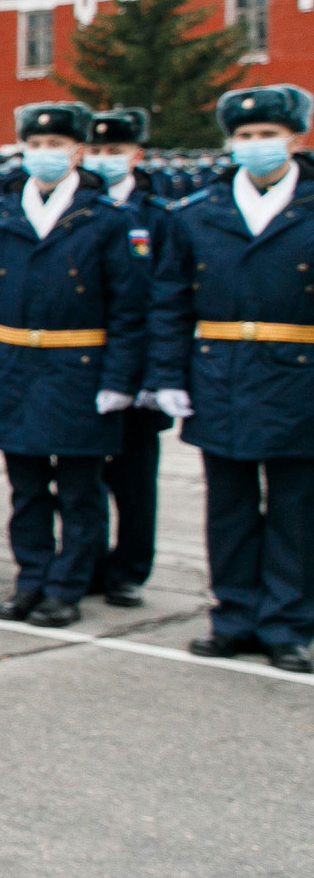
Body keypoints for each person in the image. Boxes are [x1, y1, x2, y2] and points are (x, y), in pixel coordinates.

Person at [0, 101, 148, 627]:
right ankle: (31, 578)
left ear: (78, 151)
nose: (44, 154)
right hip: (15, 364)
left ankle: (68, 585)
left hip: (79, 368)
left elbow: (129, 309)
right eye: (36, 145)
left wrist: (118, 380)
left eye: (56, 145)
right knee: (26, 489)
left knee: (81, 489)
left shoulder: (109, 219)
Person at [145, 84, 314, 671]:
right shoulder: (196, 214)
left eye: (267, 134)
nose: (255, 145)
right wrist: (168, 374)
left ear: (296, 138)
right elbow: (168, 302)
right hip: (220, 374)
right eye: (244, 136)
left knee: (297, 508)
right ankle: (235, 616)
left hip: (299, 378)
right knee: (229, 507)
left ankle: (289, 623)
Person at [85, 108, 172, 607]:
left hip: (139, 370)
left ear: (137, 155)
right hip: (85, 363)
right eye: (95, 150)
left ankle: (130, 569)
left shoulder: (158, 214)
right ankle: (89, 560)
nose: (103, 159)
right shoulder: (83, 207)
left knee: (134, 478)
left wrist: (156, 375)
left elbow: (163, 301)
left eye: (113, 151)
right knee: (83, 473)